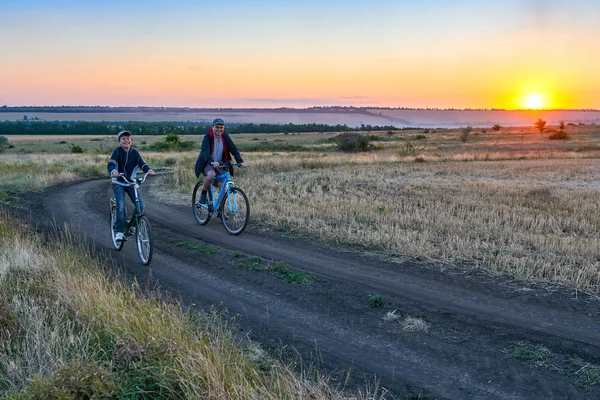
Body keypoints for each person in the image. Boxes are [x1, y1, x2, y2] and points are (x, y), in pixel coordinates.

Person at [107, 130, 156, 241]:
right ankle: (119, 232)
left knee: (141, 206)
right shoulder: (117, 151)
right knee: (120, 204)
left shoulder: (134, 152)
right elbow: (111, 164)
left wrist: (149, 170)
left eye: (128, 138)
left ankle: (131, 226)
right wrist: (113, 171)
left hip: (130, 182)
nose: (126, 140)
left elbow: (142, 164)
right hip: (118, 182)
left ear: (131, 141)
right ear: (119, 142)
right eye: (123, 138)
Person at [194, 118, 246, 204]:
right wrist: (211, 162)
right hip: (207, 162)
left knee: (223, 187)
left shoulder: (225, 137)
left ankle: (220, 210)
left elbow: (233, 149)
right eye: (217, 127)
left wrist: (240, 161)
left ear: (224, 128)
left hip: (220, 164)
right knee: (211, 175)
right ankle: (203, 193)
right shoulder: (208, 137)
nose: (219, 129)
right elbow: (205, 152)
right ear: (212, 127)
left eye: (221, 127)